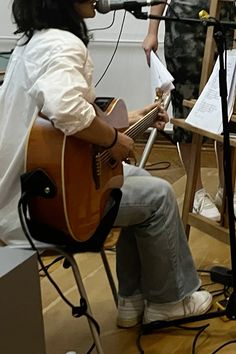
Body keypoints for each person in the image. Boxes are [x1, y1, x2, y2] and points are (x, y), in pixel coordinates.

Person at [0, 0, 212, 328]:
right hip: (43, 212)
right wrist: (115, 141)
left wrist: (129, 121)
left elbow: (63, 124)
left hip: (26, 196)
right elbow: (68, 111)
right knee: (159, 197)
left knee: (136, 176)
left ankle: (132, 300)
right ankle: (169, 301)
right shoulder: (63, 44)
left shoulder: (32, 43)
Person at [142, 0, 236, 222]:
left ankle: (227, 187)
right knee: (186, 104)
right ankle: (196, 191)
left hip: (226, 16)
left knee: (228, 104)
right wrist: (151, 32)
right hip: (186, 20)